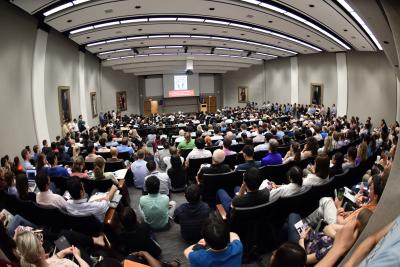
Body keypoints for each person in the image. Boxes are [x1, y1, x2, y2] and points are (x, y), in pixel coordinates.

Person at [15, 229, 90, 267]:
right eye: (40, 245)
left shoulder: (38, 263)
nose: (41, 243)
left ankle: (94, 241)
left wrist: (63, 252)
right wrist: (78, 256)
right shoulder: (64, 265)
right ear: (39, 255)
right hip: (80, 262)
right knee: (75, 244)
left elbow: (50, 260)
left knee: (62, 237)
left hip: (64, 258)